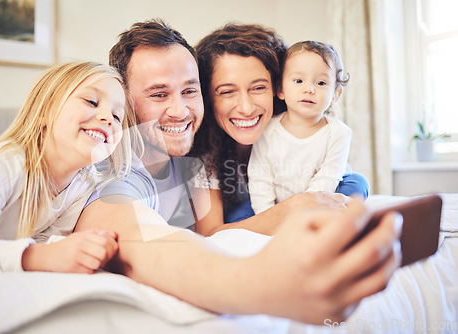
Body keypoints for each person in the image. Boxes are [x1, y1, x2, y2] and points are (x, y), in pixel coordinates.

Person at [74, 19, 401, 324]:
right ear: (124, 100)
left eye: (189, 90)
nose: (179, 109)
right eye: (159, 94)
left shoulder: (292, 135)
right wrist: (258, 284)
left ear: (279, 88)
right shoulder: (143, 165)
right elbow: (128, 232)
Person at [0, 61, 137, 273]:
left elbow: (51, 246)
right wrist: (40, 256)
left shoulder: (84, 186)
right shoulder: (5, 163)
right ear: (45, 111)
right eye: (91, 101)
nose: (108, 118)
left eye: (117, 116)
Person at [191, 23, 368, 236]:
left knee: (356, 184)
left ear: (278, 88)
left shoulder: (323, 132)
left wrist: (311, 202)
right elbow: (209, 233)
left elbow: (331, 177)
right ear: (207, 98)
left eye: (258, 88)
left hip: (316, 201)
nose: (246, 108)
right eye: (227, 91)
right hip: (269, 211)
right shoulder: (206, 160)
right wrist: (287, 211)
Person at [248, 40, 365, 215]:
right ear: (280, 89)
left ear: (335, 94)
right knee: (240, 208)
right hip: (279, 206)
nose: (309, 89)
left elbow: (329, 176)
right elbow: (260, 178)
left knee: (357, 183)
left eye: (321, 83)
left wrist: (306, 209)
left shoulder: (338, 133)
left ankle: (329, 219)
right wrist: (267, 215)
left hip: (321, 200)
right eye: (298, 80)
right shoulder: (267, 130)